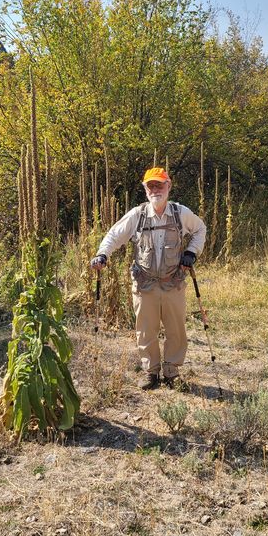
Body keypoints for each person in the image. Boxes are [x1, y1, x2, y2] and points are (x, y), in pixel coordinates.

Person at [90, 167, 206, 389]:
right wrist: (102, 254)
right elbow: (114, 235)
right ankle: (150, 372)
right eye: (150, 185)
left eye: (159, 185)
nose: (155, 189)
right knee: (146, 329)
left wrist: (191, 252)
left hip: (174, 282)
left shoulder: (180, 213)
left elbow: (200, 229)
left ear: (168, 186)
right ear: (145, 190)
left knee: (176, 328)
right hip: (145, 283)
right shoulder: (137, 215)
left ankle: (172, 371)